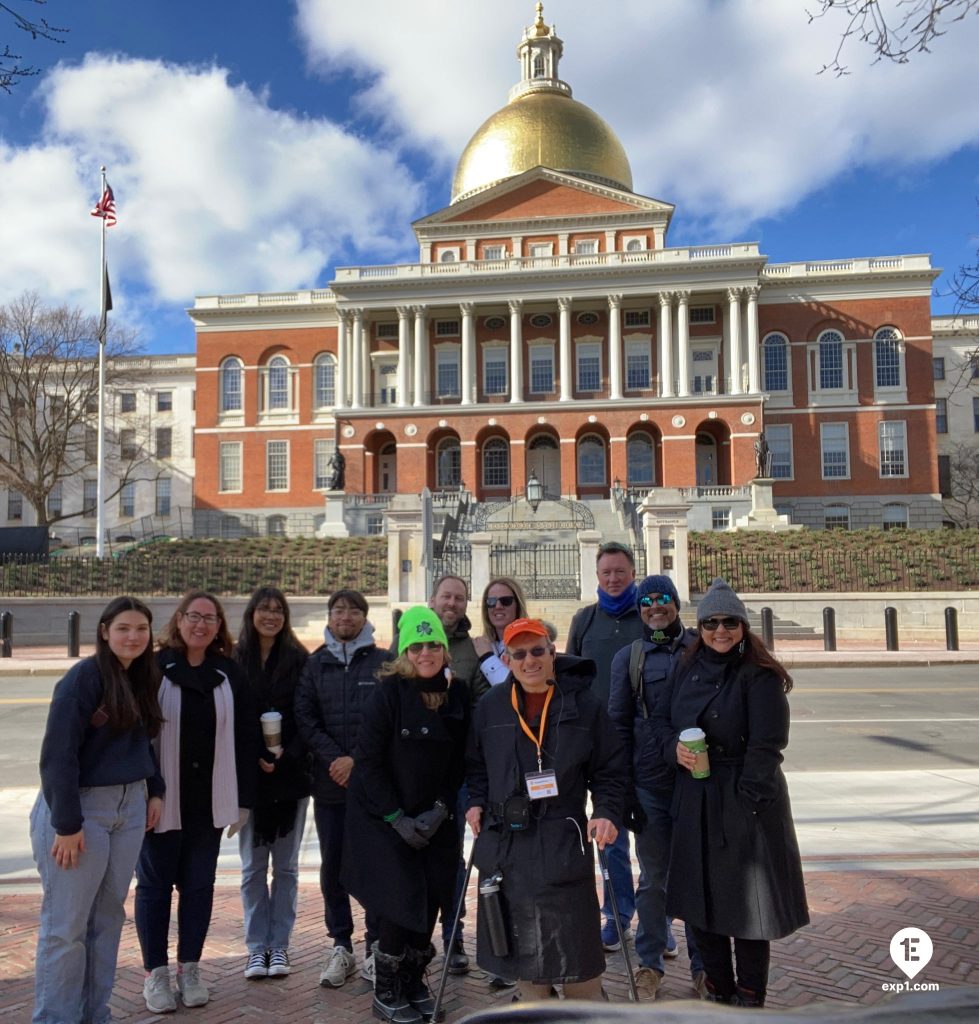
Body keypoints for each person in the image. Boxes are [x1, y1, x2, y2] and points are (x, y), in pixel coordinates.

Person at [654, 578, 809, 1007]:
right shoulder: (686, 668)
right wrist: (675, 751)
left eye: (729, 622)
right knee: (701, 906)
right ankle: (718, 990)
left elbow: (767, 746)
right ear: (699, 627)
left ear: (743, 626)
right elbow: (662, 723)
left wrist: (748, 803)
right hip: (696, 796)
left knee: (748, 909)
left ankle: (750, 995)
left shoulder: (760, 676)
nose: (720, 631)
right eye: (710, 623)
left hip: (746, 802)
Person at [466, 617, 627, 1003]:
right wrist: (474, 801)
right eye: (519, 654)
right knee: (527, 966)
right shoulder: (490, 707)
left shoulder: (584, 705)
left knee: (579, 966)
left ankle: (586, 1007)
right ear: (506, 660)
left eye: (538, 650)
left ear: (553, 653)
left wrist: (606, 811)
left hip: (563, 844)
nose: (530, 660)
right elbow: (475, 766)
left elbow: (611, 770)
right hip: (509, 847)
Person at [31, 597, 164, 1024]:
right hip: (80, 811)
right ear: (105, 631)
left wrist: (154, 790)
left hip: (128, 809)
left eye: (141, 628)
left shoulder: (142, 676)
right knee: (67, 929)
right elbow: (58, 756)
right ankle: (57, 1017)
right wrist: (66, 824)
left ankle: (94, 1014)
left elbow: (144, 740)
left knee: (107, 921)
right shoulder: (82, 680)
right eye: (123, 627)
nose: (133, 636)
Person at [342, 606, 470, 1024]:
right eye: (417, 645)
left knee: (430, 902)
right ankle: (387, 990)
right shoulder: (388, 692)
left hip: (436, 819)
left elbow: (461, 762)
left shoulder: (458, 694)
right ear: (406, 650)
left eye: (433, 643)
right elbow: (369, 761)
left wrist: (440, 809)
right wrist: (396, 817)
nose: (426, 652)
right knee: (397, 906)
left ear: (444, 647)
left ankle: (414, 982)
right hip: (386, 819)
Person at [135, 591, 259, 1014]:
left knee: (199, 888)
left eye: (210, 618)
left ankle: (190, 968)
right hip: (161, 800)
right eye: (193, 616)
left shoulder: (229, 673)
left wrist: (242, 799)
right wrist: (150, 789)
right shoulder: (154, 667)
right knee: (154, 888)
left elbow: (245, 736)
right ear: (180, 620)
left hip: (208, 801)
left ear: (219, 625)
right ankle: (156, 974)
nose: (200, 625)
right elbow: (139, 737)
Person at [607, 576, 704, 1002]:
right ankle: (650, 964)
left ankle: (705, 966)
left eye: (663, 599)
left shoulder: (700, 648)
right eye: (647, 601)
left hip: (698, 783)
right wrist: (624, 790)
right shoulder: (629, 659)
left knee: (700, 875)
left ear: (676, 603)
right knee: (654, 879)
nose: (655, 607)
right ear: (639, 609)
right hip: (649, 783)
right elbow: (618, 727)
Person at [294, 589, 388, 988]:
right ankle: (340, 944)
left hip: (371, 784)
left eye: (353, 610)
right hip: (330, 783)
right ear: (329, 618)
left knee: (374, 864)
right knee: (333, 866)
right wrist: (336, 759)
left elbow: (386, 718)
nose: (345, 616)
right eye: (338, 610)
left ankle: (376, 945)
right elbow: (305, 717)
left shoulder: (384, 662)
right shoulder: (315, 665)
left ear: (365, 618)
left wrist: (358, 761)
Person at [565, 540, 643, 952]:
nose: (613, 579)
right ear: (597, 577)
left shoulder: (647, 616)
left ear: (633, 573)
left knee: (650, 836)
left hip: (645, 743)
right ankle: (616, 914)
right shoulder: (584, 620)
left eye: (620, 572)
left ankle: (657, 919)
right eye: (606, 572)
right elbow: (570, 681)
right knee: (608, 834)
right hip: (596, 744)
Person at [232, 587, 310, 981]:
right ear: (251, 614)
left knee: (287, 869)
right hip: (248, 778)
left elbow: (307, 713)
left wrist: (287, 753)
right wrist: (254, 757)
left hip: (291, 776)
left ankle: (279, 946)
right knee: (251, 868)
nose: (271, 615)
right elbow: (228, 718)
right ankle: (254, 948)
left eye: (278, 609)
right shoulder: (233, 659)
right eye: (264, 608)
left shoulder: (298, 659)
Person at [425, 574, 488, 973]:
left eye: (459, 598)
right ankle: (413, 937)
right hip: (420, 769)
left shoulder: (471, 650)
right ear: (433, 599)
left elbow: (483, 703)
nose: (452, 603)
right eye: (446, 596)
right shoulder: (410, 641)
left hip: (461, 769)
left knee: (456, 858)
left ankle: (454, 938)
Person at [471, 576, 528, 689]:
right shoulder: (483, 644)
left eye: (506, 601)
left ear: (517, 605)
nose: (498, 606)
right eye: (491, 601)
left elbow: (515, 692)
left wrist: (487, 657)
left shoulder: (531, 643)